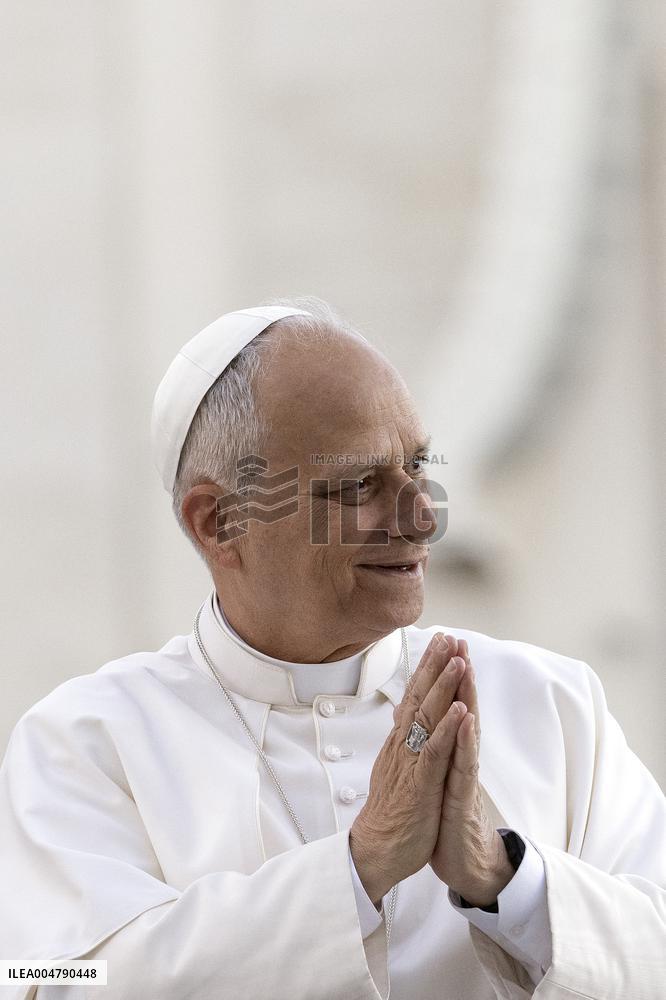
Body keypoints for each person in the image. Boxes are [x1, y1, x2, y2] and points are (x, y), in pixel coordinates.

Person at [0, 299, 664, 1000]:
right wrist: (358, 867)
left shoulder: (552, 704)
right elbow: (51, 979)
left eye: (418, 466)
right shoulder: (83, 741)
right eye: (358, 485)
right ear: (220, 520)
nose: (422, 517)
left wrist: (507, 880)